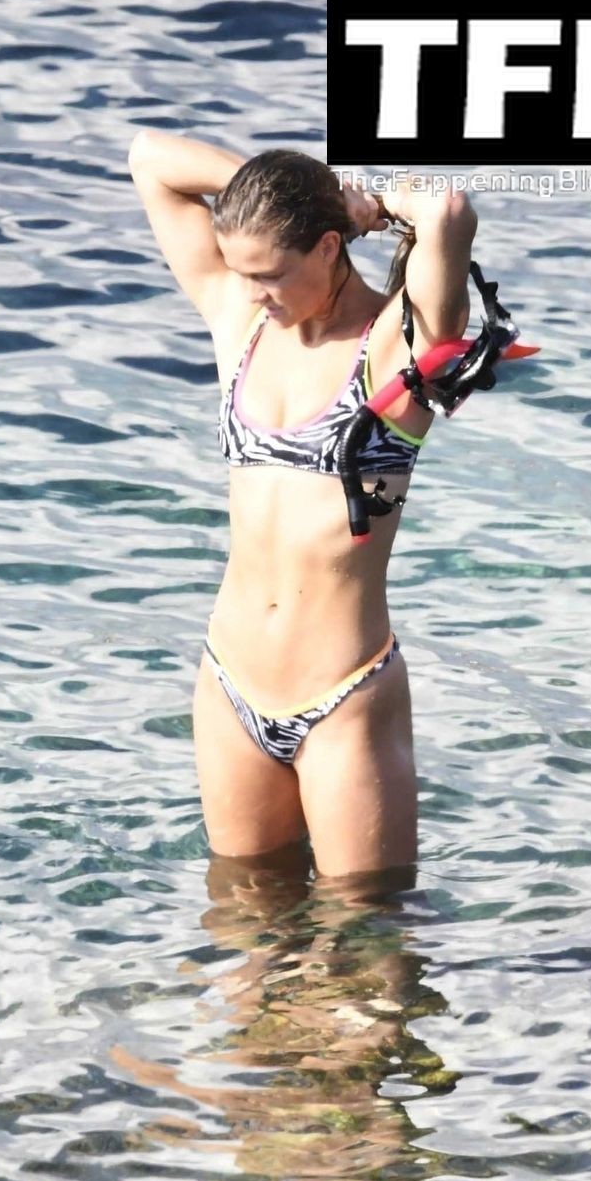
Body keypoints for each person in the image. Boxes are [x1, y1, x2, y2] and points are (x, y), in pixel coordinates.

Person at [127, 130, 479, 874]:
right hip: (229, 682)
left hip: (344, 695)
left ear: (327, 247)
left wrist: (362, 203)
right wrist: (279, 196)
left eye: (271, 273)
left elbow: (446, 211)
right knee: (243, 916)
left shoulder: (400, 346)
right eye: (241, 271)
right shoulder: (243, 321)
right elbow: (150, 160)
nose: (254, 290)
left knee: (368, 930)